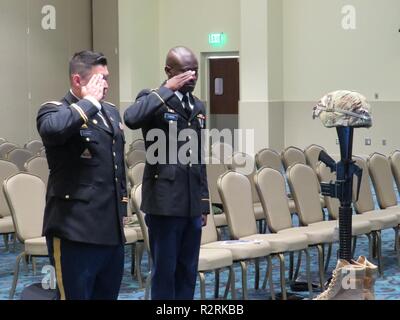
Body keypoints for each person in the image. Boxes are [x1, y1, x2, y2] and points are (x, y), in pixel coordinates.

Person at [37, 50, 127, 300]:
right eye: (100, 79)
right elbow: (54, 131)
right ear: (78, 81)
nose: (106, 85)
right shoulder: (53, 110)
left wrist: (123, 210)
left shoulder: (110, 113)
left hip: (111, 233)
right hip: (74, 232)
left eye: (107, 78)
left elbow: (118, 167)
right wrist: (89, 102)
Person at [124, 46, 210, 300]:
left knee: (187, 270)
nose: (192, 77)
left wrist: (204, 201)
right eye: (185, 71)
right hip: (164, 203)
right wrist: (167, 89)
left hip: (192, 203)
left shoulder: (198, 105)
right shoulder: (154, 98)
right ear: (169, 71)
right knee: (165, 271)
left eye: (195, 71)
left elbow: (198, 157)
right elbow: (131, 118)